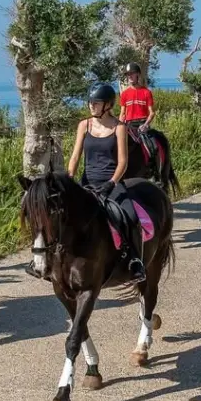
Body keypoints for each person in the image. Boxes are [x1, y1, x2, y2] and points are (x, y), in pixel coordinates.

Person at [66, 82, 146, 282]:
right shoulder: (84, 125)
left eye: (96, 102)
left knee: (130, 216)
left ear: (108, 105)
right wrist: (68, 179)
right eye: (90, 102)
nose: (91, 105)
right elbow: (75, 157)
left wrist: (112, 183)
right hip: (87, 182)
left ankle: (135, 260)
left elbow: (123, 162)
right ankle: (53, 259)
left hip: (111, 182)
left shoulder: (120, 128)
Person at [119, 62, 155, 131]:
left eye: (132, 73)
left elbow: (151, 113)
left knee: (152, 141)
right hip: (129, 125)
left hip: (143, 124)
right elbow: (122, 113)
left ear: (138, 74)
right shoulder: (124, 94)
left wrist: (145, 125)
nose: (130, 76)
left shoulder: (147, 92)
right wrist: (120, 127)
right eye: (128, 74)